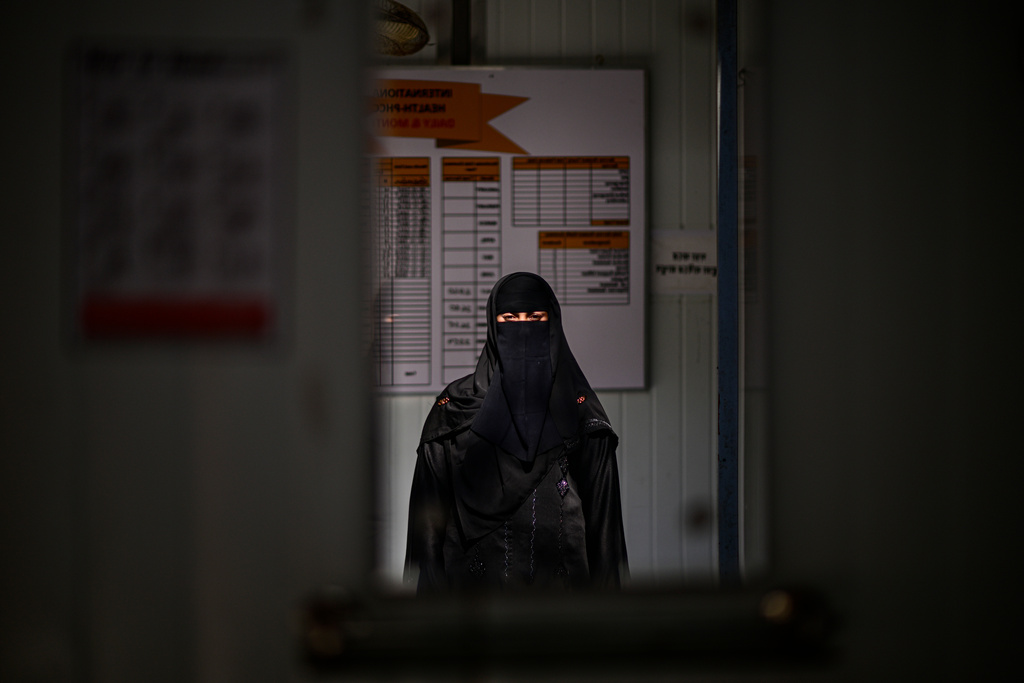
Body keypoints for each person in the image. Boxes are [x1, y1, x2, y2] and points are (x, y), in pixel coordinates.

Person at [404, 272, 628, 593]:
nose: (523, 326)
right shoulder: (455, 409)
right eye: (509, 317)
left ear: (552, 325)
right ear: (494, 327)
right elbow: (427, 529)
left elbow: (604, 532)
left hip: (563, 609)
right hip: (471, 611)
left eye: (535, 317)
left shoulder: (580, 413)